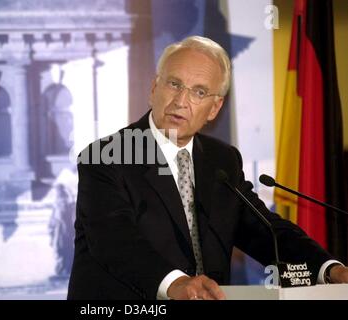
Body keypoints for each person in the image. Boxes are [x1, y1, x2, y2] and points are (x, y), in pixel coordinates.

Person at [67, 36, 348, 300]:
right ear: (154, 89)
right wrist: (175, 283)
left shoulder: (221, 159)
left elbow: (264, 229)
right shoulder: (105, 156)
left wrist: (328, 269)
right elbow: (115, 241)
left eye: (199, 92)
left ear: (214, 108)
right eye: (174, 84)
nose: (181, 101)